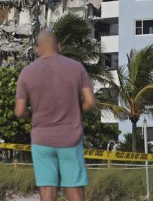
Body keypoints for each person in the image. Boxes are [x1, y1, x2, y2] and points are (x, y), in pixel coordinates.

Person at [14, 31, 96, 201]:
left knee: (47, 190)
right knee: (74, 190)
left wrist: (33, 114)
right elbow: (90, 102)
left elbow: (20, 111)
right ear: (59, 46)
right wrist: (73, 109)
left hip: (42, 139)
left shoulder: (27, 73)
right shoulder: (76, 67)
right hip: (70, 138)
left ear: (37, 48)